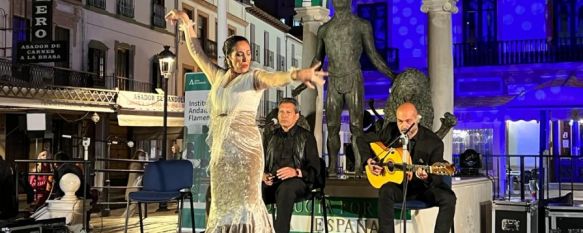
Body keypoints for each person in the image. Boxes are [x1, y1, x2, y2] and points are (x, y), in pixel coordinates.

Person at [165, 10, 326, 232]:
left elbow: (274, 78)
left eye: (248, 54)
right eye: (239, 54)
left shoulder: (254, 78)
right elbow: (197, 53)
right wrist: (184, 20)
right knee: (223, 204)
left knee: (246, 203)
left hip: (247, 151)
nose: (245, 59)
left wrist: (297, 75)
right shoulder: (219, 77)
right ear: (228, 57)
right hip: (222, 154)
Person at [309, 0, 395, 176]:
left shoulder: (361, 25)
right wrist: (305, 75)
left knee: (357, 127)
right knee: (332, 126)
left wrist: (392, 76)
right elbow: (318, 59)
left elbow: (373, 55)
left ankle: (360, 166)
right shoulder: (324, 30)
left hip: (353, 78)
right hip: (333, 79)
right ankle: (332, 167)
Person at [362, 102, 456, 233]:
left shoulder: (434, 142)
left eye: (408, 121)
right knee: (386, 190)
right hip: (399, 187)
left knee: (449, 197)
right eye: (400, 121)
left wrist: (426, 176)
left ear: (417, 119)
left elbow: (438, 179)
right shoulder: (391, 131)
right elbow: (362, 139)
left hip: (423, 189)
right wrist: (369, 161)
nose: (403, 126)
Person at [262, 98, 320, 233]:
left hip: (298, 182)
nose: (284, 115)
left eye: (288, 112)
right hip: (273, 182)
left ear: (296, 116)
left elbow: (315, 170)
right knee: (254, 189)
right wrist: (263, 175)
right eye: (281, 112)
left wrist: (296, 172)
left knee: (286, 189)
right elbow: (261, 163)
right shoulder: (270, 137)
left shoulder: (306, 137)